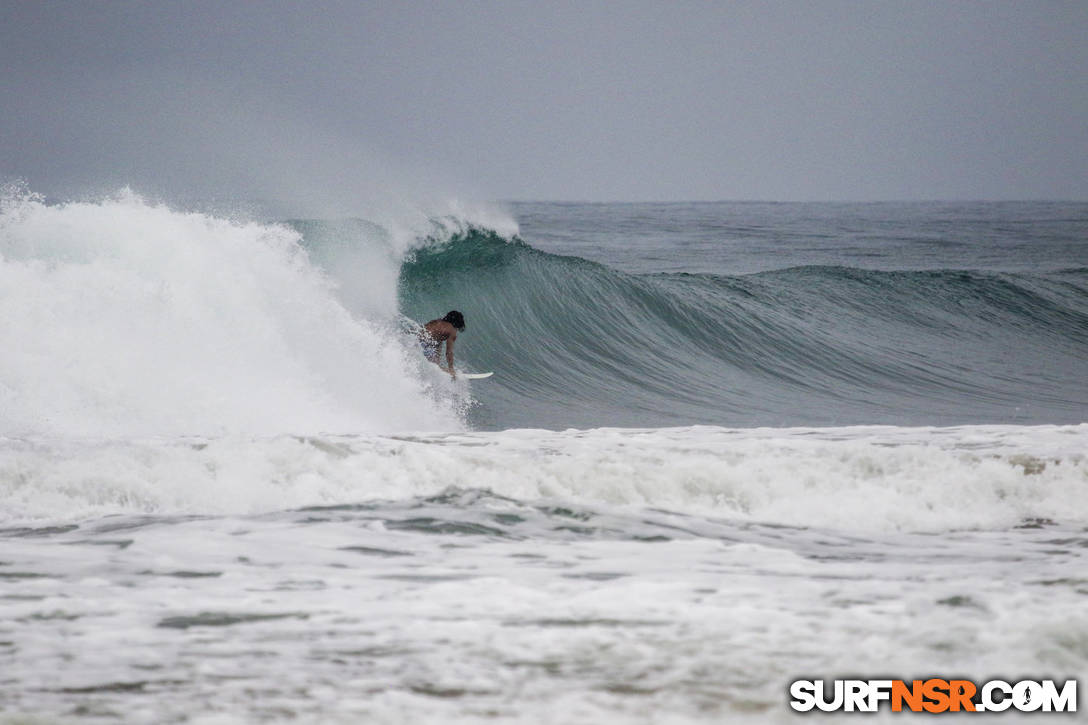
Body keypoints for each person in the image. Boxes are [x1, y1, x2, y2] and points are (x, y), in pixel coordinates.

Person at [419, 310, 465, 379]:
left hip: (416, 338)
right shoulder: (452, 330)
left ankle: (438, 366)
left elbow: (436, 342)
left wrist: (437, 360)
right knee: (434, 365)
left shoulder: (437, 322)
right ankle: (442, 369)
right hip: (425, 342)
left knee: (437, 346)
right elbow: (449, 352)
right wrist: (451, 369)